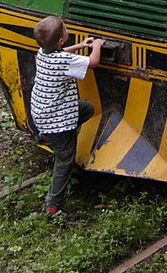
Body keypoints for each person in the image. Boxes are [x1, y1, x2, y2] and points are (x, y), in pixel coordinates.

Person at [30, 15, 104, 218]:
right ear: (61, 40)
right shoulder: (62, 60)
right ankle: (53, 206)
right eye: (64, 29)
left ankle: (45, 136)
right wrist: (96, 44)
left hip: (41, 111)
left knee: (86, 108)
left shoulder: (43, 52)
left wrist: (80, 45)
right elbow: (94, 62)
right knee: (65, 159)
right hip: (56, 122)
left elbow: (61, 54)